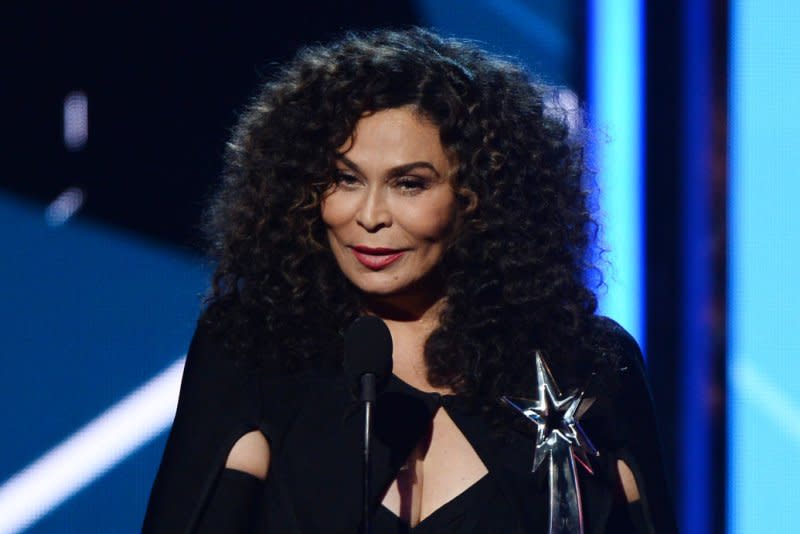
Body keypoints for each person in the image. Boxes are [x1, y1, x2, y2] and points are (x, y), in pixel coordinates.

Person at [142, 27, 677, 533]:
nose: (370, 215)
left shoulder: (586, 364)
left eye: (409, 184)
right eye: (345, 179)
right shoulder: (255, 350)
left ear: (479, 199)